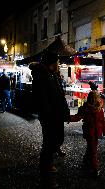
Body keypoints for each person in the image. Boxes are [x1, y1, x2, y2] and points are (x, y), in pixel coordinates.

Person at [29, 50, 70, 185]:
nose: (59, 63)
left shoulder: (53, 75)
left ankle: (48, 164)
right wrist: (49, 115)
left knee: (57, 140)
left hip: (56, 115)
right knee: (49, 143)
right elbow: (43, 100)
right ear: (53, 62)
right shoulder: (42, 76)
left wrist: (65, 111)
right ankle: (45, 175)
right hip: (50, 116)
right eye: (57, 61)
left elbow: (59, 95)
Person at [70, 90, 105, 178]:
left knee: (91, 147)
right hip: (94, 133)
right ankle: (95, 169)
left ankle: (86, 160)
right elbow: (103, 121)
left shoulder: (85, 108)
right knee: (93, 151)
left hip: (90, 132)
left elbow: (77, 118)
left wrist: (67, 118)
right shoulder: (99, 108)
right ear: (97, 99)